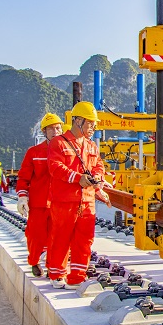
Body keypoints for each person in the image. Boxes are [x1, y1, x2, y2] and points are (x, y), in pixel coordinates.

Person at [47, 102, 105, 290]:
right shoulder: (59, 143)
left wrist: (98, 177)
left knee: (84, 240)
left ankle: (77, 277)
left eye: (94, 124)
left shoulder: (91, 146)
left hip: (87, 201)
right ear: (78, 121)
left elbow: (99, 166)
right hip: (65, 201)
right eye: (90, 123)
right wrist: (77, 178)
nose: (93, 127)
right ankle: (57, 274)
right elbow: (55, 167)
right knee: (61, 238)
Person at [16, 113, 63, 277]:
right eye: (51, 129)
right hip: (38, 203)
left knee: (57, 237)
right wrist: (22, 197)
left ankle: (53, 266)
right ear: (44, 131)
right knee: (35, 235)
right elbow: (23, 177)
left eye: (58, 128)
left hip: (59, 202)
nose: (55, 131)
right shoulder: (34, 152)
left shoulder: (67, 152)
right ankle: (34, 261)